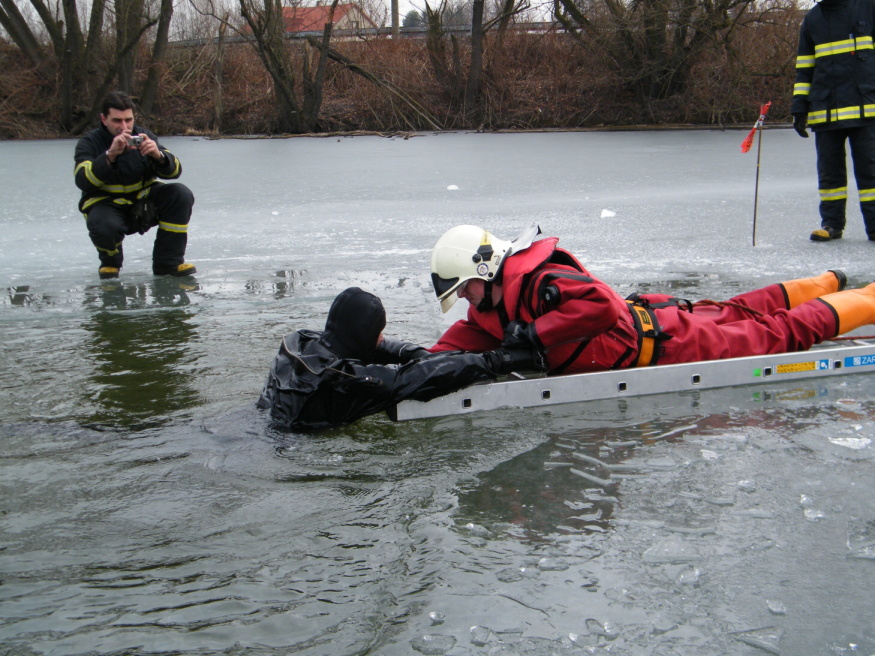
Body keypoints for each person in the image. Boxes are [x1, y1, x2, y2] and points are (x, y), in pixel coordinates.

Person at [427, 224, 875, 375]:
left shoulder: (542, 278)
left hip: (666, 346)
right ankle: (825, 282)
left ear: (484, 270)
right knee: (739, 310)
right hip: (656, 320)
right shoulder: (489, 309)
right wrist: (410, 366)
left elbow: (602, 306)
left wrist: (535, 333)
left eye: (464, 287)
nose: (466, 299)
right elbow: (453, 345)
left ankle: (868, 299)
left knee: (775, 333)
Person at [256, 287, 533, 430]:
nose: (382, 338)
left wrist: (418, 354)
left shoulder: (299, 342)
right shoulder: (342, 380)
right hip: (280, 445)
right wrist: (497, 360)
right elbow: (409, 380)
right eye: (378, 332)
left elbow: (374, 345)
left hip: (258, 420)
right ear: (364, 336)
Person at [74, 91, 196, 279]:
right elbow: (82, 180)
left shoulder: (144, 135)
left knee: (180, 194)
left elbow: (174, 171)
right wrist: (110, 156)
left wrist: (158, 156)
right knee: (102, 223)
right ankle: (110, 263)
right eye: (117, 121)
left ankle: (168, 263)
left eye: (128, 120)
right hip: (107, 207)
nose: (124, 127)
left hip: (142, 205)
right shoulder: (89, 142)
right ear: (103, 119)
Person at [791, 0, 875, 242]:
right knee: (829, 175)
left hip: (866, 110)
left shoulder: (868, 8)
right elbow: (805, 67)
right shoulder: (813, 19)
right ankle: (831, 225)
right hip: (825, 110)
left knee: (871, 173)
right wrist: (799, 108)